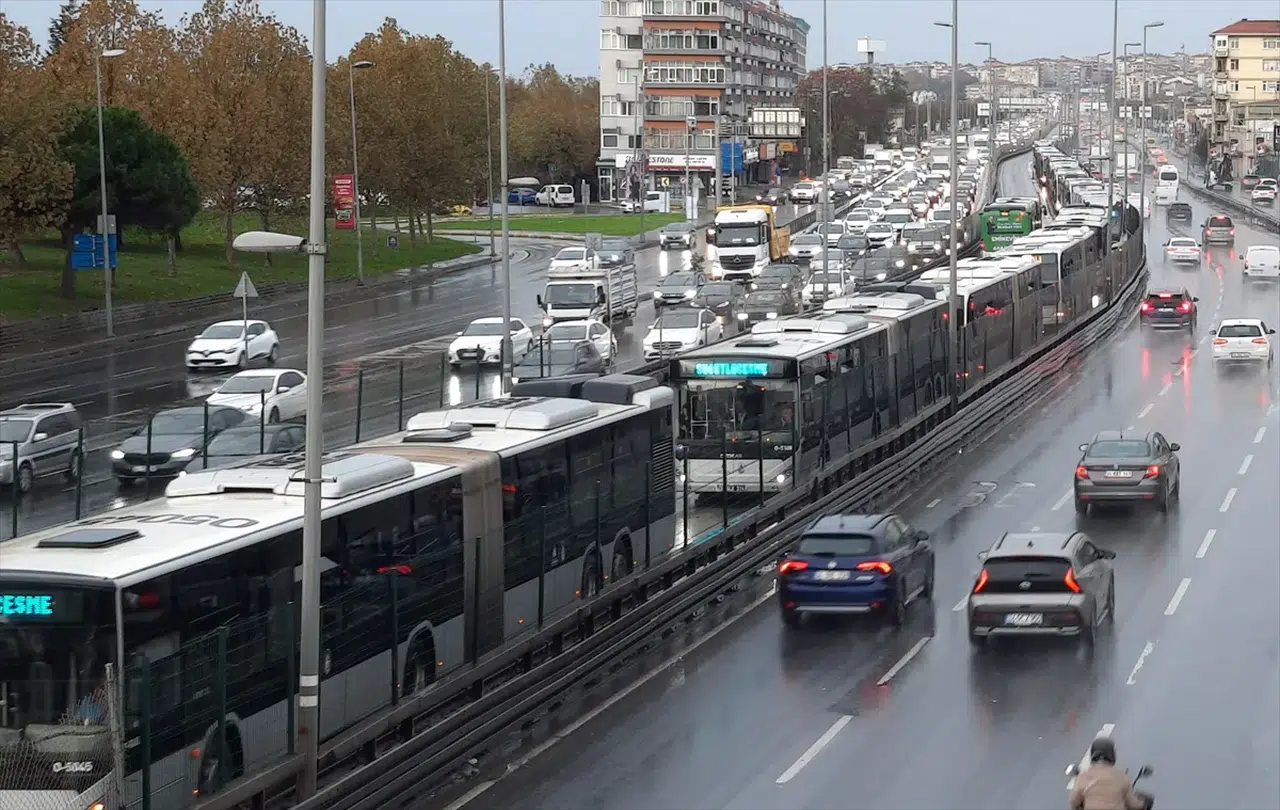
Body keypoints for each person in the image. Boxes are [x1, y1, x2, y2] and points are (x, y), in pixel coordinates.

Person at [1068, 736, 1148, 810]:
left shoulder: (1083, 776)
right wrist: (1143, 803)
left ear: (1092, 754)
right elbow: (1133, 804)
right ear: (1112, 754)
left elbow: (1073, 802)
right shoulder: (1122, 777)